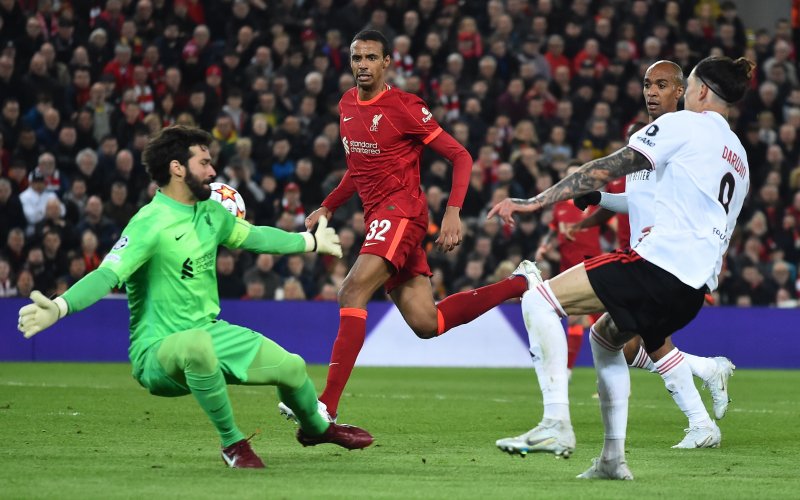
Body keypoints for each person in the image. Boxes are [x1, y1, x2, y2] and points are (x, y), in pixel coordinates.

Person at [17, 126, 373, 469]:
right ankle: (233, 444)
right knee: (198, 345)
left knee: (292, 367)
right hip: (157, 350)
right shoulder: (149, 223)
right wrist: (61, 306)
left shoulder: (211, 213)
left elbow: (256, 237)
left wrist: (309, 241)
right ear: (177, 168)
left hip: (209, 331)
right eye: (204, 162)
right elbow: (106, 275)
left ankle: (316, 429)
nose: (212, 171)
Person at [488, 56, 752, 479]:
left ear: (700, 90)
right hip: (692, 288)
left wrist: (535, 201)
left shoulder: (683, 124)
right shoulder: (738, 155)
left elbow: (603, 168)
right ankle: (613, 459)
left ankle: (555, 423)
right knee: (605, 338)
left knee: (538, 299)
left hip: (657, 264)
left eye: (684, 86)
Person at [278, 30, 535, 423]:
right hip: (379, 217)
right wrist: (328, 205)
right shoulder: (346, 104)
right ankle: (520, 283)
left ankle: (325, 405)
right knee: (426, 323)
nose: (362, 65)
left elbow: (461, 156)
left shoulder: (405, 106)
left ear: (386, 63)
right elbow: (358, 168)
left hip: (402, 213)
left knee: (351, 291)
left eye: (370, 57)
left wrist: (452, 212)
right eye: (356, 58)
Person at [566, 60, 736, 431]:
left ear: (682, 91)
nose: (651, 93)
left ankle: (701, 412)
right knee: (634, 345)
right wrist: (599, 198)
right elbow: (639, 200)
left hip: (665, 259)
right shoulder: (653, 140)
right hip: (648, 254)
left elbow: (685, 202)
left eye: (661, 85)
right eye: (647, 85)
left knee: (629, 338)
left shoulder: (683, 139)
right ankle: (707, 380)